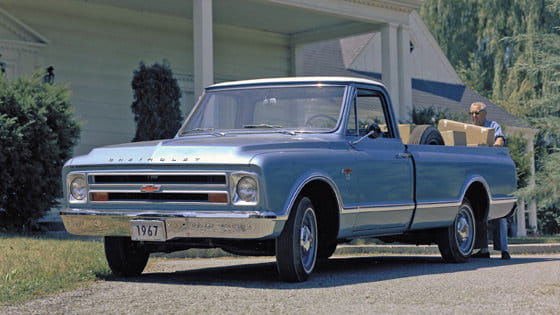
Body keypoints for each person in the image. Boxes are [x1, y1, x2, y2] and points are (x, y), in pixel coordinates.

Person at [469, 102, 511, 259]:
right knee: (479, 212)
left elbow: (500, 141)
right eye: (471, 113)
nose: (474, 116)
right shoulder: (470, 130)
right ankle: (483, 250)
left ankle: (504, 250)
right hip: (478, 173)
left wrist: (492, 149)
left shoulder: (493, 126)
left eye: (477, 113)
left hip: (494, 173)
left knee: (498, 212)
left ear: (484, 113)